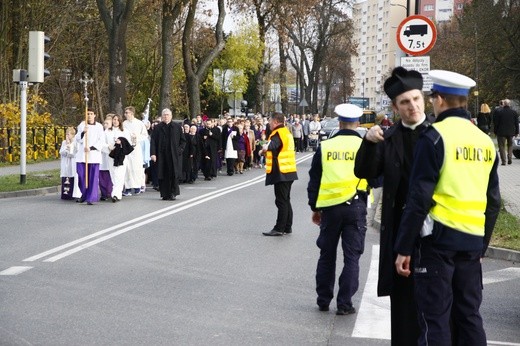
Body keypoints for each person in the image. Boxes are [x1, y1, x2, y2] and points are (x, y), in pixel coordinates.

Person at [394, 70, 501, 346]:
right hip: (471, 242)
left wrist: (403, 248)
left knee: (435, 320)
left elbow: (419, 199)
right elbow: (494, 201)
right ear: (464, 102)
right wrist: (482, 245)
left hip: (437, 244)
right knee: (469, 317)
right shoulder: (484, 141)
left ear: (439, 100)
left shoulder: (434, 137)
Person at [354, 66, 434, 345]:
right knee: (403, 313)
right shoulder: (388, 139)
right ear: (395, 106)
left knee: (438, 315)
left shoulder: (439, 134)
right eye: (404, 102)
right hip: (400, 233)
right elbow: (365, 172)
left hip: (436, 237)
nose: (412, 106)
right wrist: (368, 143)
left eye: (416, 99)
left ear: (423, 99)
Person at [307, 103, 374, 316]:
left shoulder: (326, 146)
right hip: (355, 207)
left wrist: (315, 207)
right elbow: (377, 177)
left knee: (326, 255)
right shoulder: (365, 146)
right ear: (357, 123)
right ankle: (345, 304)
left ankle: (323, 299)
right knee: (351, 257)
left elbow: (314, 181)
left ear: (339, 121)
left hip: (329, 210)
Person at [259, 112, 298, 236]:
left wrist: (263, 150)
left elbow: (273, 145)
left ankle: (279, 228)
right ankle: (287, 227)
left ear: (275, 121)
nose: (269, 124)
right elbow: (279, 149)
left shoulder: (277, 133)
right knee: (286, 200)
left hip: (281, 171)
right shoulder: (286, 132)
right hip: (288, 170)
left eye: (270, 121)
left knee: (281, 201)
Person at [150, 108, 186, 200]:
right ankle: (165, 194)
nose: (166, 116)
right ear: (162, 116)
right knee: (162, 174)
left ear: (171, 116)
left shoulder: (177, 127)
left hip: (173, 155)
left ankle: (173, 192)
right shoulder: (158, 128)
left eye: (167, 115)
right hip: (161, 155)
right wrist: (153, 153)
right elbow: (153, 141)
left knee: (173, 173)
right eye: (164, 115)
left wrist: (179, 150)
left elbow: (183, 141)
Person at [75, 109, 105, 205]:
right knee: (81, 175)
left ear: (94, 115)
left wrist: (91, 148)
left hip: (93, 156)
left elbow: (101, 140)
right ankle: (84, 194)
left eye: (91, 114)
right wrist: (83, 132)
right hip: (82, 156)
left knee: (92, 178)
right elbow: (77, 138)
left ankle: (91, 197)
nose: (89, 116)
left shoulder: (99, 126)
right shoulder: (82, 125)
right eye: (87, 114)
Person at [123, 106, 148, 196]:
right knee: (127, 167)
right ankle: (128, 188)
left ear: (132, 113)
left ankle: (137, 186)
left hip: (136, 148)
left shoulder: (139, 123)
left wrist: (137, 137)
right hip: (127, 148)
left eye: (127, 113)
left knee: (136, 168)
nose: (125, 114)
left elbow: (145, 135)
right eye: (125, 113)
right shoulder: (124, 123)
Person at [493, 98, 519, 165]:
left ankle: (504, 161)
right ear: (509, 104)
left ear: (503, 104)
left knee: (501, 146)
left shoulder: (499, 112)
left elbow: (496, 123)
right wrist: (517, 132)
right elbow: (516, 123)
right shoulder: (514, 112)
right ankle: (510, 158)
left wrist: (495, 131)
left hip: (501, 132)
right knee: (510, 145)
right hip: (511, 132)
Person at [59, 127, 80, 200]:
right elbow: (62, 152)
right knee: (65, 176)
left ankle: (72, 194)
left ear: (73, 135)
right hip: (65, 162)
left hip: (72, 162)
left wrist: (69, 147)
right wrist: (66, 146)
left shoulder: (76, 143)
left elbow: (73, 153)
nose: (67, 136)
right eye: (66, 134)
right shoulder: (64, 142)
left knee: (72, 176)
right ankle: (65, 194)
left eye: (69, 134)